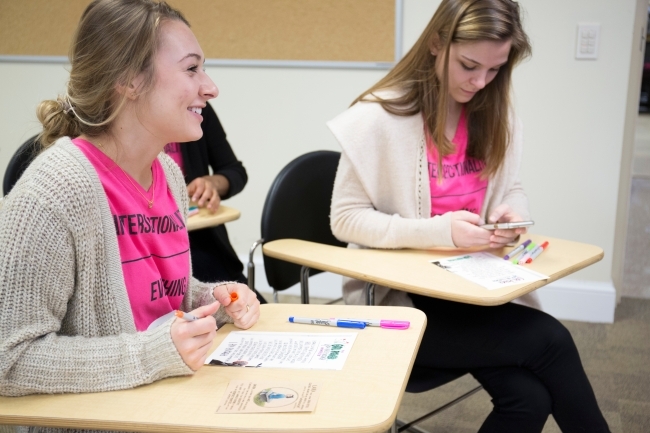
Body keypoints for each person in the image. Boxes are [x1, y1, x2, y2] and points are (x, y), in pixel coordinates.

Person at [327, 0, 610, 432]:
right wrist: (440, 232)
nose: (480, 82)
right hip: (406, 303)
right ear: (437, 43)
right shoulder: (378, 118)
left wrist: (514, 214)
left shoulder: (491, 111)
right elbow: (344, 220)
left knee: (528, 398)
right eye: (468, 65)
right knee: (552, 340)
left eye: (495, 69)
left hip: (473, 290)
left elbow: (509, 185)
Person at [0, 0, 260, 406]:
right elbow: (9, 360)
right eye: (191, 69)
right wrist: (151, 354)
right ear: (129, 80)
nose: (210, 87)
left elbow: (150, 298)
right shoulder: (52, 194)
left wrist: (213, 299)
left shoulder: (169, 176)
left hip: (168, 405)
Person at [163, 103, 266, 303]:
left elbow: (235, 171)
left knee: (256, 311)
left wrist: (211, 184)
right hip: (162, 254)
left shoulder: (199, 110)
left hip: (206, 245)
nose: (210, 88)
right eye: (191, 70)